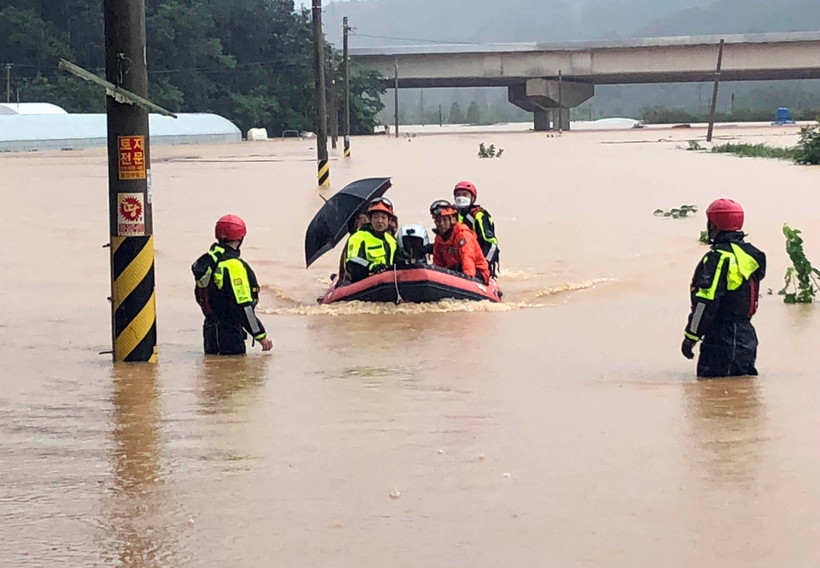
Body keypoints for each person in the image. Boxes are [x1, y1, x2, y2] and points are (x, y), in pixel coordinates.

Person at [681, 199, 766, 378]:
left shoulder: (716, 259)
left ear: (713, 225)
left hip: (721, 341)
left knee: (711, 398)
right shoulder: (753, 255)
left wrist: (691, 337)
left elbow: (704, 304)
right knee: (743, 396)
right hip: (747, 337)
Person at [192, 214, 273, 355]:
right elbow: (244, 307)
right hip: (229, 334)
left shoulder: (210, 260)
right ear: (240, 238)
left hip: (210, 331)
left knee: (213, 373)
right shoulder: (234, 266)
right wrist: (261, 336)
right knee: (234, 374)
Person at [430, 199, 490, 284]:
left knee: (458, 267)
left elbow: (468, 259)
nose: (441, 224)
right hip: (453, 271)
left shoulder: (463, 235)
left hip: (476, 272)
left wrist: (468, 280)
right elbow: (437, 263)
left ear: (453, 220)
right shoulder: (439, 239)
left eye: (444, 220)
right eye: (438, 220)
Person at [344, 197, 398, 283]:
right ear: (370, 219)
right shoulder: (358, 237)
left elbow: (400, 259)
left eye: (383, 218)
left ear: (388, 220)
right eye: (376, 217)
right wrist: (372, 267)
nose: (380, 221)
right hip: (365, 282)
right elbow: (353, 260)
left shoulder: (391, 240)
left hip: (389, 282)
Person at [453, 180, 500, 276]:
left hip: (477, 261)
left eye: (465, 194)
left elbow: (491, 244)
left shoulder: (480, 216)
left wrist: (484, 264)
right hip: (459, 260)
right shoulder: (452, 216)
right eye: (458, 195)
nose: (461, 197)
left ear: (473, 198)